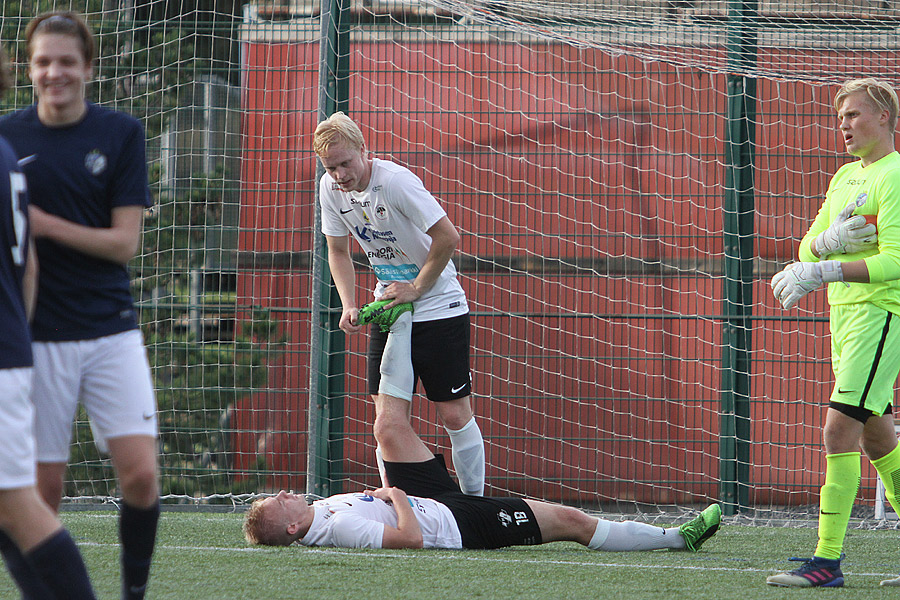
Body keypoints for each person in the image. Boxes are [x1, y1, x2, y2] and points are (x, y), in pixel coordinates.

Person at [244, 301, 721, 552]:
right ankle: (678, 538)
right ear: (289, 524)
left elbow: (381, 501)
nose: (286, 492)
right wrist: (397, 497)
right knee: (572, 523)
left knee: (387, 427)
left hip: (426, 499)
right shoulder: (335, 529)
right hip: (457, 523)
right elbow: (409, 540)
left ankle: (401, 314)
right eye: (279, 499)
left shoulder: (318, 516)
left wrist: (390, 490)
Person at [0, 12, 159, 599]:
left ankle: (132, 595)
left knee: (141, 476)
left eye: (66, 61)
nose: (54, 72)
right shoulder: (6, 137)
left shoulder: (120, 133)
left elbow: (123, 244)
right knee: (38, 497)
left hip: (108, 330)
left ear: (88, 68)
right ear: (28, 69)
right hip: (34, 340)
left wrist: (38, 222)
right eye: (43, 61)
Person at [769, 77, 900, 588]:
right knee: (878, 437)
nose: (844, 124)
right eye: (841, 116)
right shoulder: (845, 177)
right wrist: (828, 242)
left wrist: (828, 268)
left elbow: (895, 261)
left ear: (885, 117)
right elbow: (806, 248)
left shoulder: (895, 175)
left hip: (879, 315)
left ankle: (826, 561)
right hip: (842, 319)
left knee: (837, 429)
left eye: (855, 114)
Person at [313, 111, 485, 495]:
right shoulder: (329, 188)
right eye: (331, 167)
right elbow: (337, 251)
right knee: (387, 420)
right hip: (389, 311)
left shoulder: (396, 183)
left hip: (439, 307)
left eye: (346, 163)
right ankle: (400, 501)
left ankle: (474, 502)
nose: (340, 174)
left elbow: (447, 237)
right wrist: (349, 304)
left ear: (364, 149)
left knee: (455, 414)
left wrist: (417, 288)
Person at [0, 42, 97, 600]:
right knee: (14, 510)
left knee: (17, 508)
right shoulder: (9, 153)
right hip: (11, 347)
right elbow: (29, 265)